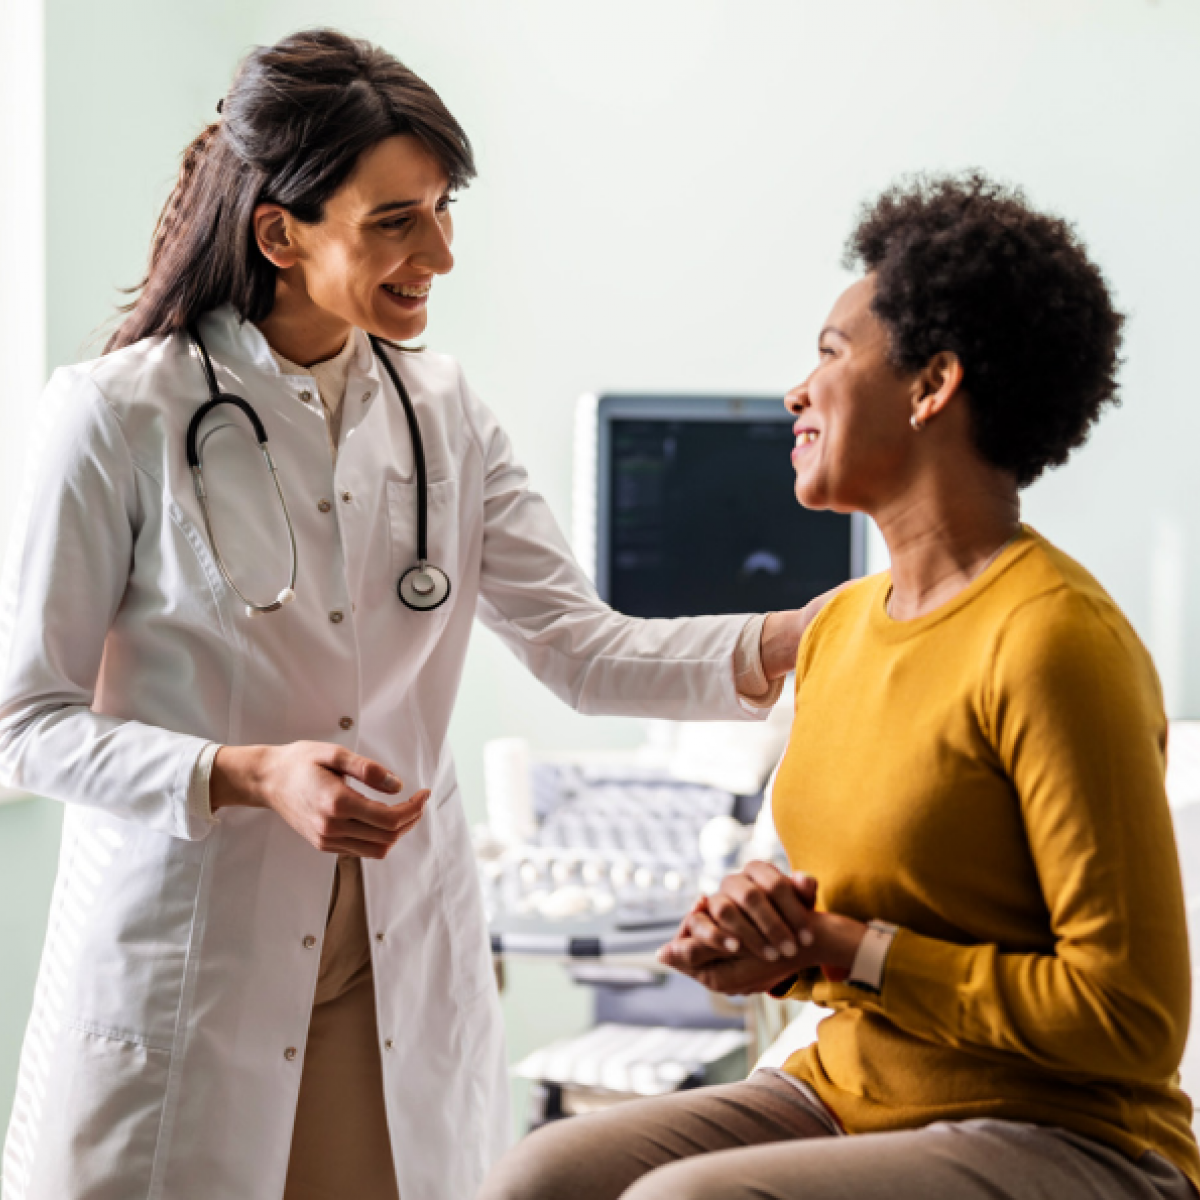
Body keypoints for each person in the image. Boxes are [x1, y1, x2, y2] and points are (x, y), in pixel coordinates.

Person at [0, 29, 826, 1200]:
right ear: (279, 232)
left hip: (393, 968)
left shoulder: (442, 412)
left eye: (442, 211)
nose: (438, 251)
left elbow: (586, 652)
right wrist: (249, 774)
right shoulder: (118, 416)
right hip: (197, 966)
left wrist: (824, 633)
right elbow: (23, 721)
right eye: (396, 221)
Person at [479, 173, 1200, 1200]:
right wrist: (771, 941)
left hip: (1066, 1127)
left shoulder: (1052, 642)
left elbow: (1131, 1020)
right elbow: (862, 916)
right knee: (540, 1175)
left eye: (829, 354)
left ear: (931, 385)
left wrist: (846, 950)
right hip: (855, 1087)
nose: (796, 392)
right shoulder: (842, 628)